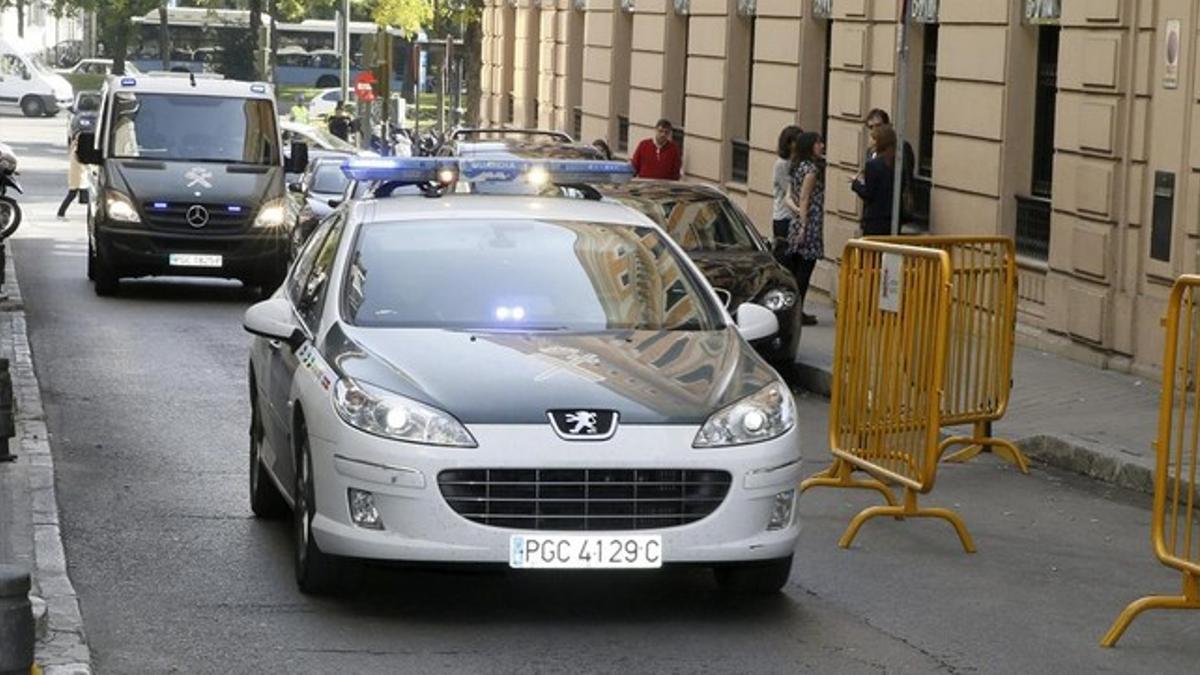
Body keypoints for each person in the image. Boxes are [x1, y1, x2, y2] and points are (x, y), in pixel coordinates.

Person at [784, 132, 825, 327]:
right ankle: (797, 312)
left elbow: (789, 198)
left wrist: (797, 216)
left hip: (797, 222)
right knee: (804, 271)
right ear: (810, 146)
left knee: (796, 269)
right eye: (818, 143)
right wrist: (804, 225)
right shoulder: (810, 170)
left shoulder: (796, 167)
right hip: (809, 224)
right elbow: (804, 198)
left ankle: (794, 310)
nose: (822, 146)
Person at [864, 108, 915, 221]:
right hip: (873, 211)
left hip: (891, 210)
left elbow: (906, 176)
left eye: (878, 126)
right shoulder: (871, 150)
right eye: (871, 127)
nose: (875, 130)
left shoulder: (901, 148)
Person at [852, 124, 898, 237]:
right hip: (892, 218)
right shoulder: (895, 163)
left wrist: (855, 184)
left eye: (873, 139)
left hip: (875, 219)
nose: (870, 142)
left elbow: (869, 194)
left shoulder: (873, 165)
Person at [772, 125, 804, 245]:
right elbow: (790, 189)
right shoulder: (781, 164)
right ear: (790, 143)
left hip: (796, 218)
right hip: (784, 217)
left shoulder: (798, 162)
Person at [57, 134, 85, 220]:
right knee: (72, 194)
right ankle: (60, 213)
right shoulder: (77, 150)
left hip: (77, 175)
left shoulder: (74, 148)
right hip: (77, 176)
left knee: (75, 194)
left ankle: (61, 213)